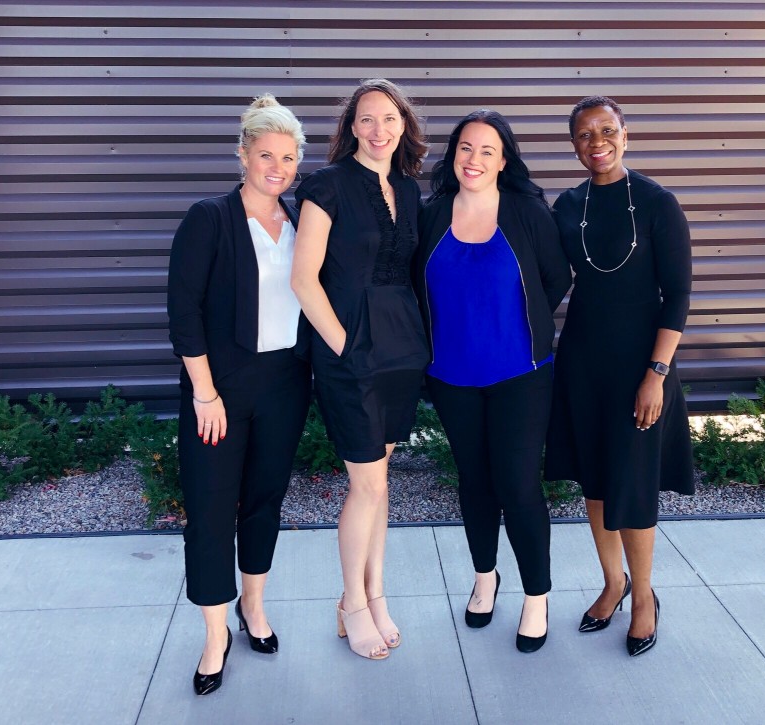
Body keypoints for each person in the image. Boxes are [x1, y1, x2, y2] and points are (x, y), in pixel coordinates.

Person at [167, 94, 311, 695]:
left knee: (263, 501)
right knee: (208, 511)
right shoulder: (209, 218)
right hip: (218, 391)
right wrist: (204, 392)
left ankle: (254, 607)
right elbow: (184, 311)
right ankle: (214, 633)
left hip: (285, 385)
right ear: (243, 155)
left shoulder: (304, 217)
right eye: (265, 154)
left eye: (288, 156)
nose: (277, 167)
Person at [545, 96, 694, 657]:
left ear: (626, 135)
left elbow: (678, 295)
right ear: (574, 144)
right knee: (596, 482)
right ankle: (613, 583)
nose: (596, 142)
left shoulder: (657, 203)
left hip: (641, 365)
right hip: (584, 362)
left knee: (631, 484)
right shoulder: (569, 204)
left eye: (607, 130)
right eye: (584, 135)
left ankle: (645, 597)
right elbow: (550, 280)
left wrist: (656, 373)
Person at [417, 110, 571, 653]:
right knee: (474, 482)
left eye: (487, 150)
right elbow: (417, 289)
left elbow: (556, 278)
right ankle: (486, 578)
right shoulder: (431, 213)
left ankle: (536, 596)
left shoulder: (527, 211)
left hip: (520, 375)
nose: (474, 159)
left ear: (504, 160)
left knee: (519, 485)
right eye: (465, 148)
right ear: (452, 155)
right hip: (451, 377)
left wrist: (515, 330)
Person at [290, 79, 430, 660]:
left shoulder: (407, 187)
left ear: (403, 125)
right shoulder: (326, 185)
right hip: (349, 349)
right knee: (366, 483)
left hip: (401, 348)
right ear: (351, 126)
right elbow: (303, 279)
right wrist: (345, 348)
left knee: (381, 482)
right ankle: (351, 601)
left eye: (389, 119)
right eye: (367, 119)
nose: (379, 130)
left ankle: (376, 595)